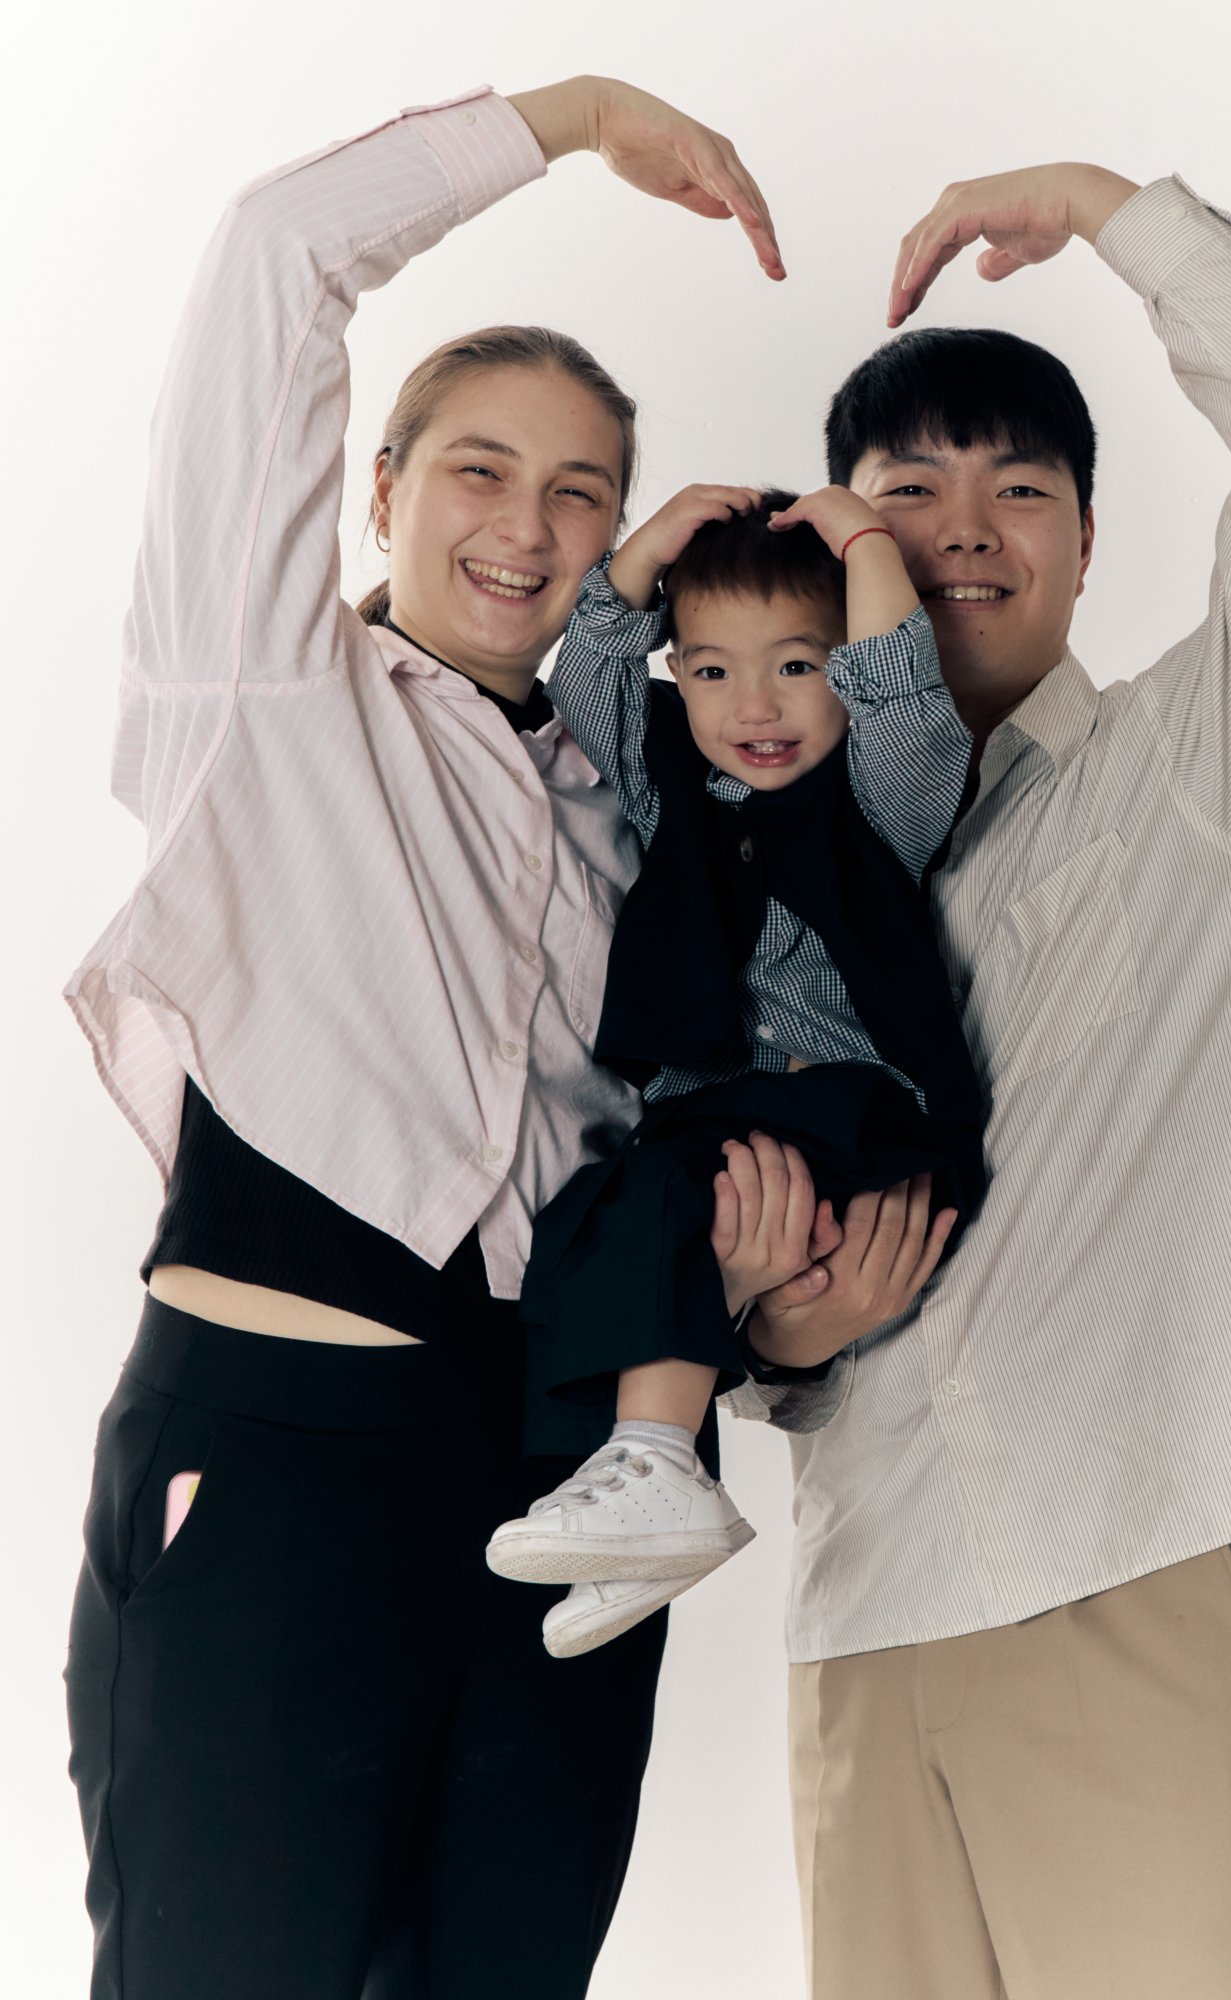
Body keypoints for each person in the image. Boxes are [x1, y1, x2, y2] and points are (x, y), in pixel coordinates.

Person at [61, 73, 844, 2000]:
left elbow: (679, 1131)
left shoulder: (637, 803)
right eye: (480, 468)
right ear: (383, 488)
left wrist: (770, 1309)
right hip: (281, 1459)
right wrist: (568, 119)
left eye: (580, 491)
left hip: (568, 1490)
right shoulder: (262, 692)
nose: (528, 522)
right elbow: (276, 252)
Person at [724, 164, 1231, 1998]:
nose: (963, 532)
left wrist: (1109, 210)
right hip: (865, 1620)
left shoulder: (1210, 769)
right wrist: (781, 1336)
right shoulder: (768, 891)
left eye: (1019, 488)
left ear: (1088, 539)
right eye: (909, 490)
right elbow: (721, 1231)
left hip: (1130, 1568)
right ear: (835, 540)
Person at [482, 484, 985, 1655]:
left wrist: (864, 539)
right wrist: (648, 548)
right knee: (583, 1221)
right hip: (715, 1121)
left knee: (664, 1192)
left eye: (796, 666)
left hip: (856, 1117)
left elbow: (906, 699)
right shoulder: (669, 784)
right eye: (710, 671)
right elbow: (590, 680)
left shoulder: (882, 795)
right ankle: (629, 1505)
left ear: (844, 669)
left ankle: (660, 1463)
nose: (752, 705)